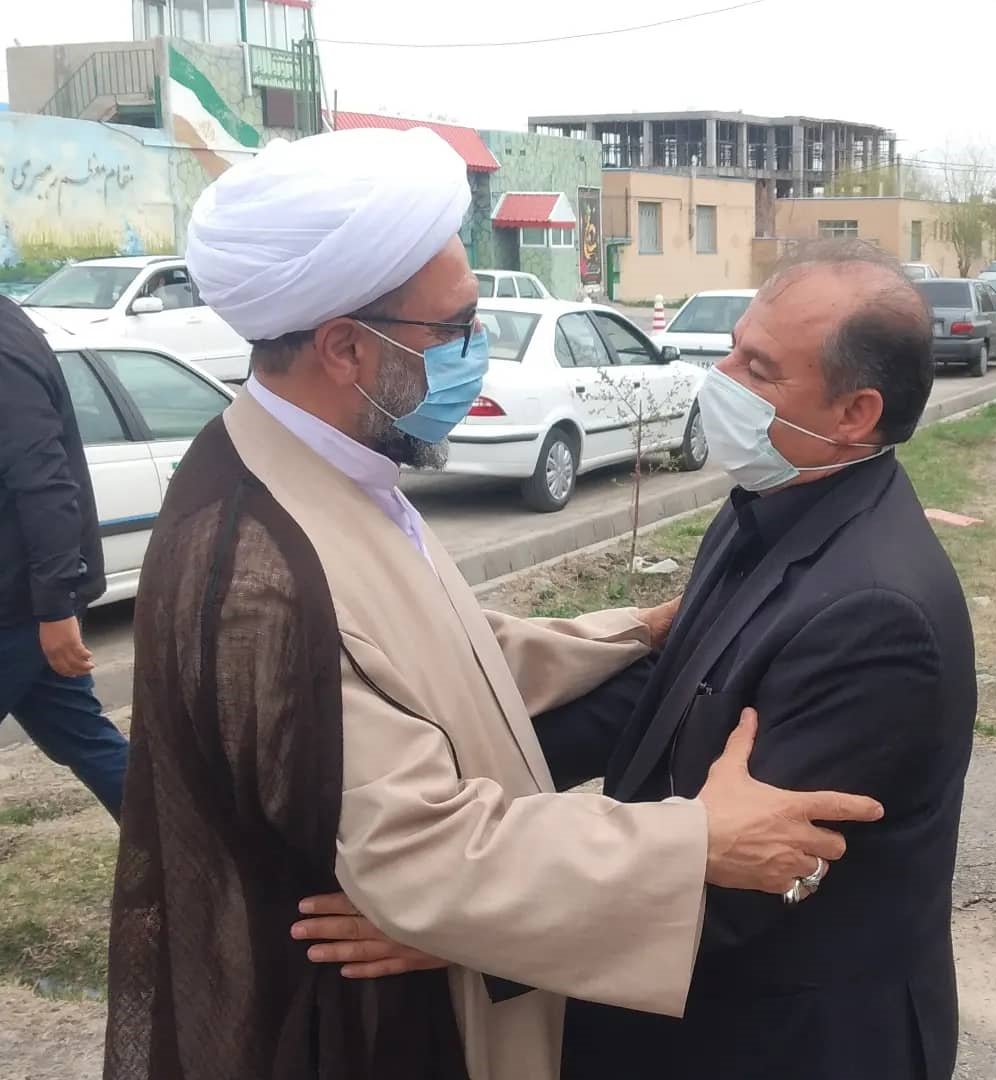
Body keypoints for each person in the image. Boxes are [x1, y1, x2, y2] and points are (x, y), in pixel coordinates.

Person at [103, 130, 882, 1080]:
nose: (480, 353)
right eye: (458, 329)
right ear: (345, 348)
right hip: (359, 1029)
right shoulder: (256, 565)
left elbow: (434, 653)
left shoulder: (328, 470)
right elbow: (423, 850)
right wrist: (698, 842)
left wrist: (630, 631)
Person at [300, 241, 977, 1080]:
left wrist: (464, 925)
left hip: (785, 1038)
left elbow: (752, 878)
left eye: (759, 368)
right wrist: (452, 790)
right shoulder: (770, 507)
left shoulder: (875, 617)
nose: (720, 375)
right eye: (733, 346)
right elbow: (664, 699)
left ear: (854, 413)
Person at [0, 294, 128, 821]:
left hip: (16, 607)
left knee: (86, 740)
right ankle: (190, 849)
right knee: (86, 740)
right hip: (26, 605)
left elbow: (46, 483)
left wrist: (55, 609)